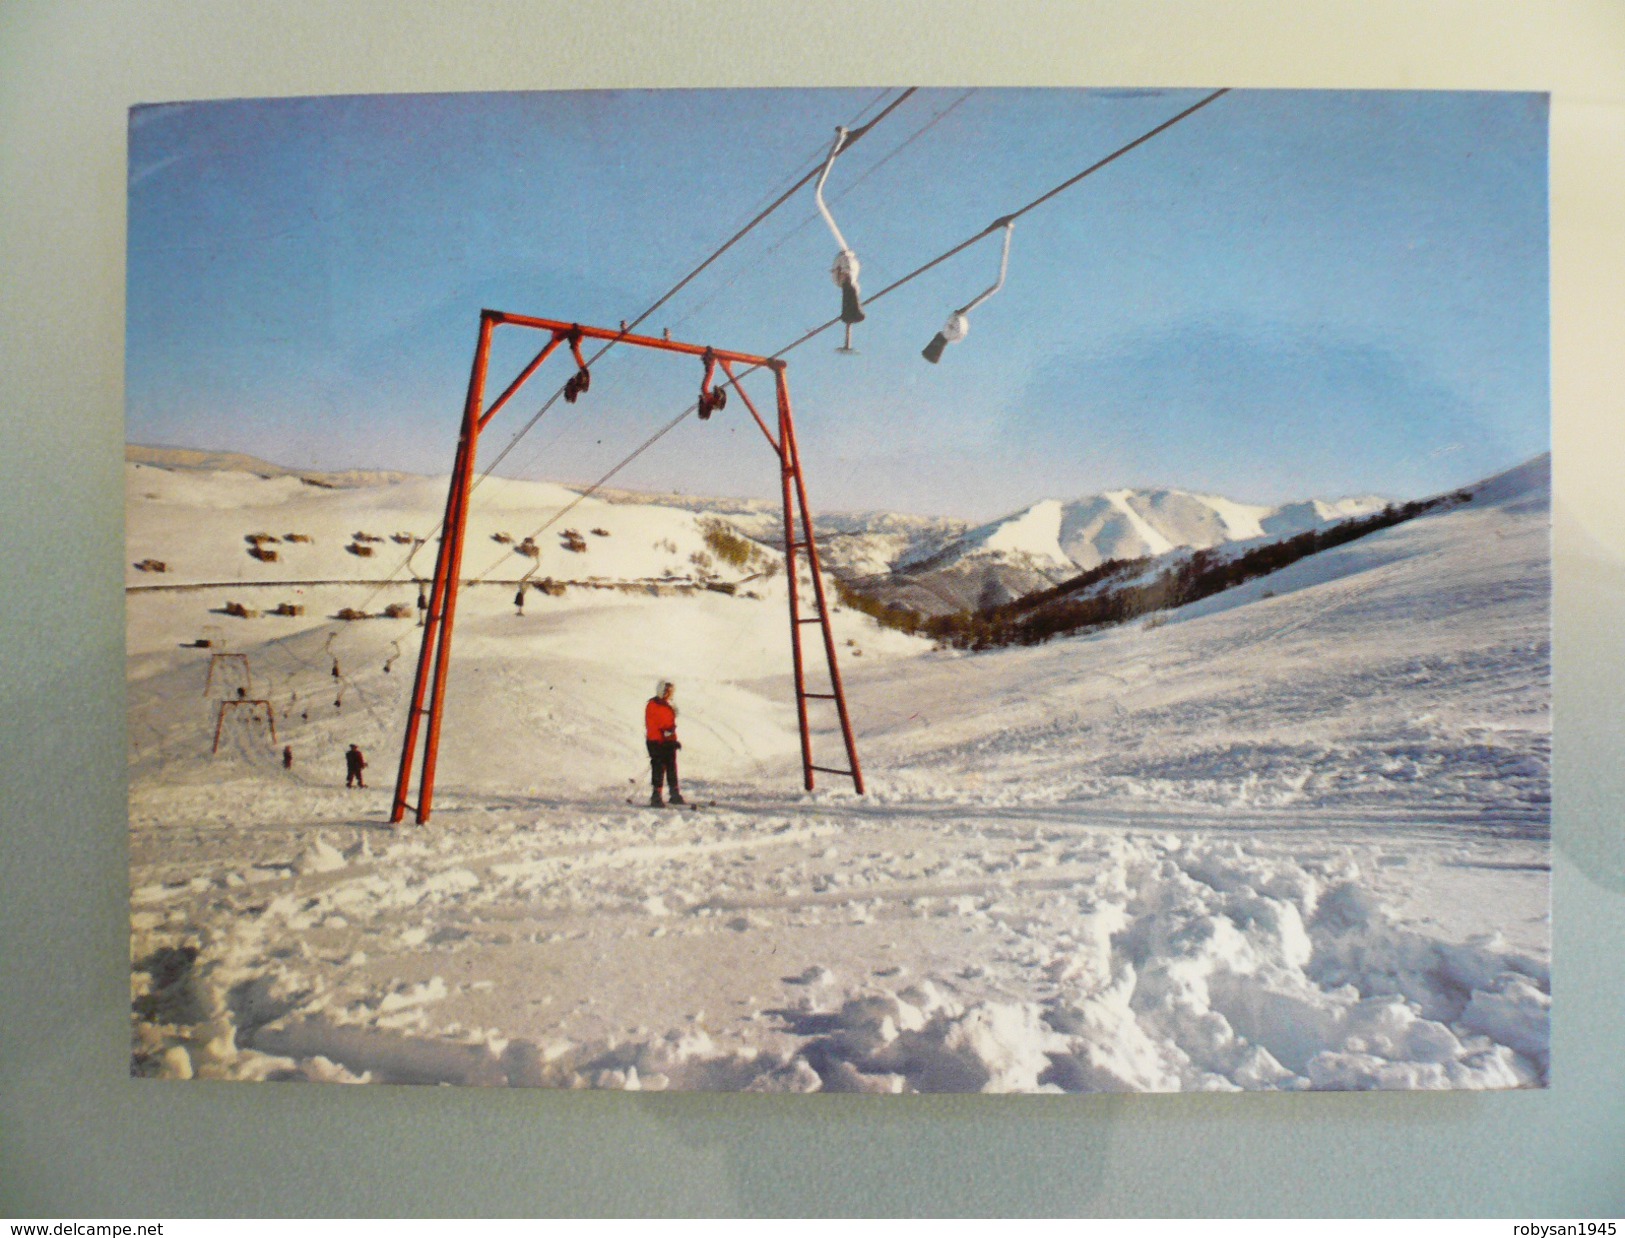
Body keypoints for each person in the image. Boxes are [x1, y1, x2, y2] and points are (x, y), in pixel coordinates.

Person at [643, 681, 684, 806]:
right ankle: (656, 795)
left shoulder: (667, 705)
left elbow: (670, 724)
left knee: (671, 766)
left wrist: (673, 740)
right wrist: (665, 735)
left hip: (667, 742)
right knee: (659, 767)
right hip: (656, 742)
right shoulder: (653, 705)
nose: (670, 694)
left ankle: (674, 793)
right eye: (668, 691)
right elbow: (656, 724)